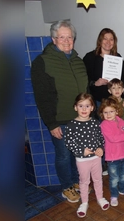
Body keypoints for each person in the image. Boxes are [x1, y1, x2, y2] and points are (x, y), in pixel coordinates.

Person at [31, 20, 87, 203]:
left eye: (69, 37)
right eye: (61, 37)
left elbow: (85, 89)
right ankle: (66, 187)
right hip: (60, 120)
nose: (66, 40)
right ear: (54, 39)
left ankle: (76, 182)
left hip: (80, 118)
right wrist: (52, 123)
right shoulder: (43, 62)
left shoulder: (78, 60)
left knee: (76, 154)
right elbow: (42, 97)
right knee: (63, 155)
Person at [64, 93, 109, 217]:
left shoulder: (95, 123)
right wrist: (81, 151)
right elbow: (68, 142)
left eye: (87, 106)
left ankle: (100, 198)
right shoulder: (71, 125)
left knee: (98, 179)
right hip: (82, 160)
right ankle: (84, 202)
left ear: (92, 108)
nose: (84, 109)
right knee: (84, 181)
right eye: (81, 106)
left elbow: (101, 138)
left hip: (96, 158)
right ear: (75, 107)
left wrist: (101, 148)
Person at [99, 97, 124, 207]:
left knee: (123, 175)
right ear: (102, 113)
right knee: (114, 178)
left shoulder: (121, 121)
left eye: (111, 111)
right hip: (112, 157)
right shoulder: (104, 125)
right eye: (105, 112)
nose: (108, 114)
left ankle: (123, 189)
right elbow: (113, 138)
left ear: (116, 111)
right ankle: (114, 195)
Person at [83, 28, 124, 108]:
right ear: (100, 41)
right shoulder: (90, 57)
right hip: (97, 101)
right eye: (105, 39)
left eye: (111, 39)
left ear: (114, 42)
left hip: (116, 100)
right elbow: (83, 79)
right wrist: (95, 83)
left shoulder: (118, 58)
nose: (108, 42)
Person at [107, 78, 124, 181]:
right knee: (114, 152)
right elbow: (106, 117)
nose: (117, 90)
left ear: (123, 90)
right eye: (113, 88)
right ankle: (115, 172)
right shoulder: (108, 103)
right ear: (109, 91)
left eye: (119, 87)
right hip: (113, 132)